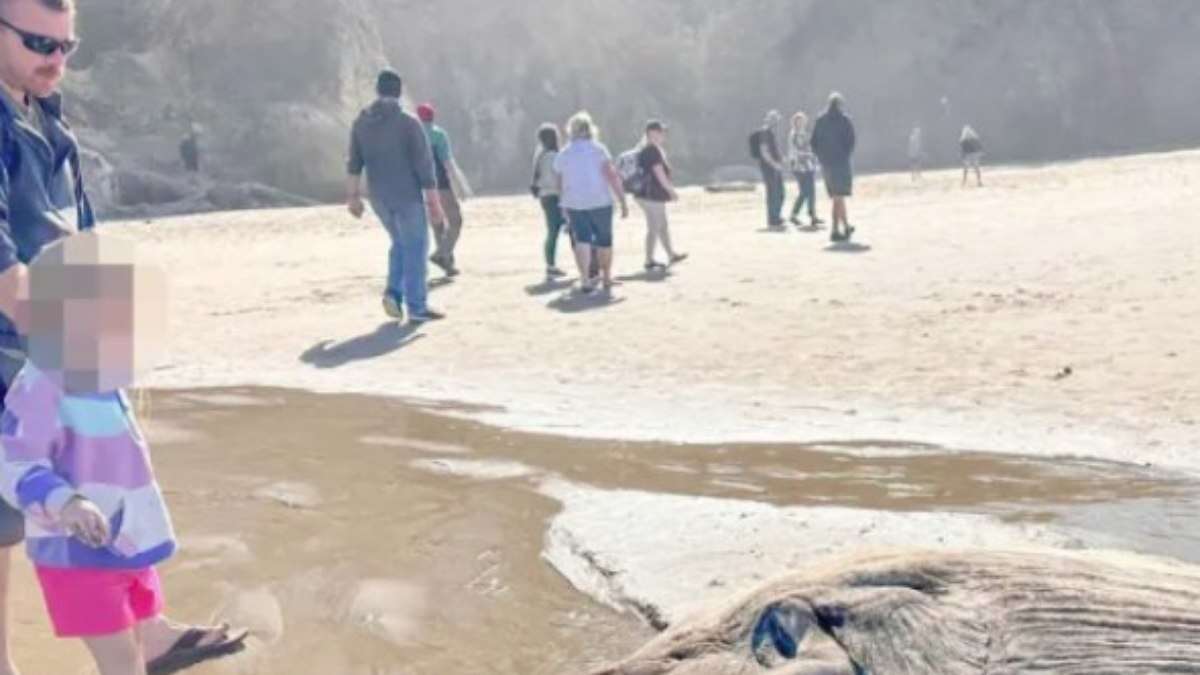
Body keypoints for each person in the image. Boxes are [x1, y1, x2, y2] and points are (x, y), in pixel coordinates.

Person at [0, 2, 241, 672]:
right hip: (24, 335)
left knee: (98, 467)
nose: (56, 59)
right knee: (10, 504)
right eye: (39, 42)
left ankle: (151, 627)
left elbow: (72, 229)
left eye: (67, 46)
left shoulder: (43, 110)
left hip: (52, 331)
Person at [1, 232, 248, 675]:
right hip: (77, 554)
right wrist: (65, 501)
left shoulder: (100, 377)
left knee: (135, 655)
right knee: (120, 664)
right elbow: (13, 461)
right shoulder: (40, 386)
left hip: (125, 547)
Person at [347, 70, 446, 323]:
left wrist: (353, 197)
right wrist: (435, 205)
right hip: (407, 195)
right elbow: (425, 169)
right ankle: (416, 306)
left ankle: (393, 293)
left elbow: (354, 163)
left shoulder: (361, 123)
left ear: (378, 90)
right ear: (399, 91)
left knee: (400, 244)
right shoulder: (408, 123)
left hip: (378, 196)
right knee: (416, 247)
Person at [552, 111, 628, 293]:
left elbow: (559, 182)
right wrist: (622, 200)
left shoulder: (564, 153)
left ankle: (585, 280)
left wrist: (562, 203)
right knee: (604, 240)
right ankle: (607, 277)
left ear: (571, 130)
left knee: (582, 240)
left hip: (575, 203)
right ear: (590, 129)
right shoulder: (598, 149)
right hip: (600, 201)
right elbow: (611, 176)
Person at [416, 103, 470, 276]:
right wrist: (460, 186)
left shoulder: (412, 135)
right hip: (441, 185)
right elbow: (448, 163)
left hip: (420, 187)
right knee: (455, 221)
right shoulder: (438, 134)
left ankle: (447, 264)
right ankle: (442, 254)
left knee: (437, 225)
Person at [634, 120, 686, 271]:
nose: (663, 135)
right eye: (660, 132)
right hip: (651, 195)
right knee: (654, 227)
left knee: (662, 225)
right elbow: (659, 173)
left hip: (648, 195)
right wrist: (671, 191)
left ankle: (671, 254)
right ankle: (649, 260)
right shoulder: (652, 151)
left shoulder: (647, 149)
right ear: (652, 133)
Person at [810, 92, 857, 242]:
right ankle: (835, 230)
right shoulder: (844, 120)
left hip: (827, 164)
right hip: (840, 163)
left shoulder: (820, 120)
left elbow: (813, 143)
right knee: (838, 197)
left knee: (838, 197)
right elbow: (851, 141)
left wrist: (821, 157)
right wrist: (844, 155)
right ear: (839, 104)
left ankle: (847, 226)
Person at [530, 123, 567, 279]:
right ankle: (584, 265)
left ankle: (550, 264)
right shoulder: (554, 156)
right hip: (557, 196)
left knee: (552, 231)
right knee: (568, 230)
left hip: (545, 196)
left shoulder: (540, 156)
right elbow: (560, 178)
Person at [751, 110, 786, 229]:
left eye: (777, 120)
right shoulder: (765, 133)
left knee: (780, 193)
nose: (776, 122)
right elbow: (764, 151)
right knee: (773, 194)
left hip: (776, 167)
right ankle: (773, 220)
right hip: (769, 168)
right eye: (774, 120)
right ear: (769, 120)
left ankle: (776, 217)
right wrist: (774, 164)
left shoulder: (772, 133)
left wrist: (781, 160)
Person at [786, 111, 821, 228]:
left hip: (809, 165)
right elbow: (795, 151)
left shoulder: (806, 134)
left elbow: (811, 148)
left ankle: (813, 215)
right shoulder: (794, 135)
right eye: (798, 121)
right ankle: (794, 214)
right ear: (794, 123)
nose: (801, 123)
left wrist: (814, 159)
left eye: (802, 121)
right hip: (799, 166)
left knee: (811, 191)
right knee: (805, 191)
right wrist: (807, 155)